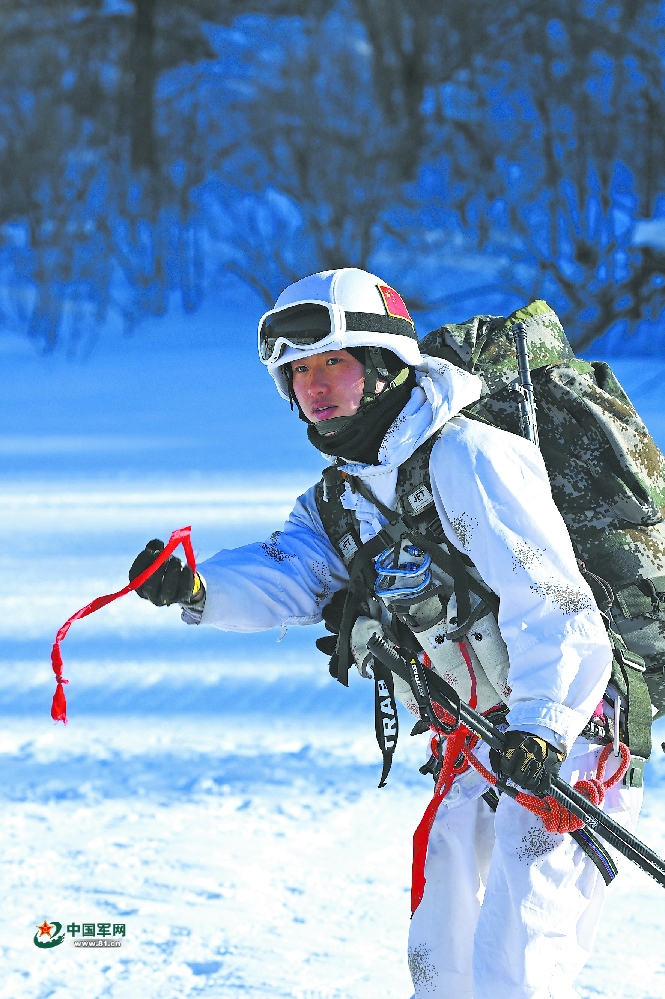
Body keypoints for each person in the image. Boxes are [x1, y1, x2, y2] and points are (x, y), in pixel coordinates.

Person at [129, 268, 641, 999]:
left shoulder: (469, 457)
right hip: (476, 743)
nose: (313, 384)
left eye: (332, 361)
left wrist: (544, 727)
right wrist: (198, 586)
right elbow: (293, 571)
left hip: (566, 737)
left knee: (518, 968)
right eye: (298, 370)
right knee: (441, 960)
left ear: (382, 362)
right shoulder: (344, 494)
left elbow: (554, 601)